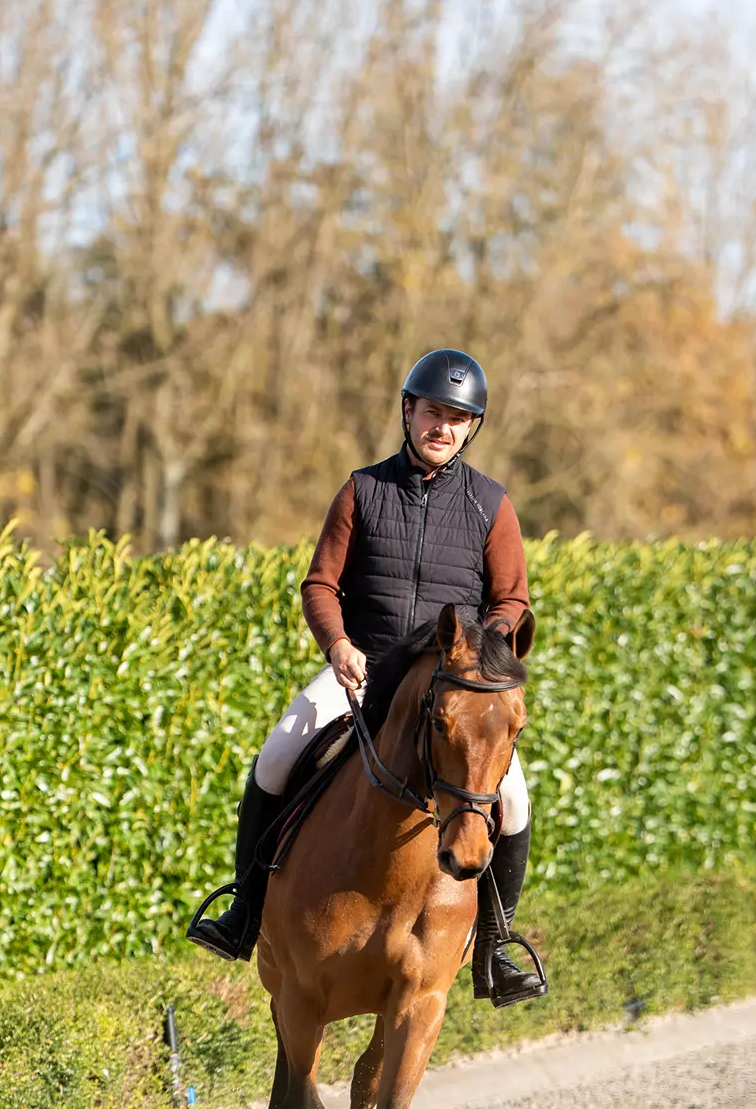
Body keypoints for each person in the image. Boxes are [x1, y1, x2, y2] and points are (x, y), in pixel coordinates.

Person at [187, 348, 546, 1007]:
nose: (443, 427)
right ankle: (243, 915)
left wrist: (481, 654)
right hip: (367, 668)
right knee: (275, 757)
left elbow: (513, 599)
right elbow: (320, 583)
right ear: (409, 412)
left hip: (450, 684)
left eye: (458, 418)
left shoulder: (492, 504)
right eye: (434, 412)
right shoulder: (362, 490)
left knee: (514, 800)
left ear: (472, 428)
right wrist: (339, 645)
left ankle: (494, 952)